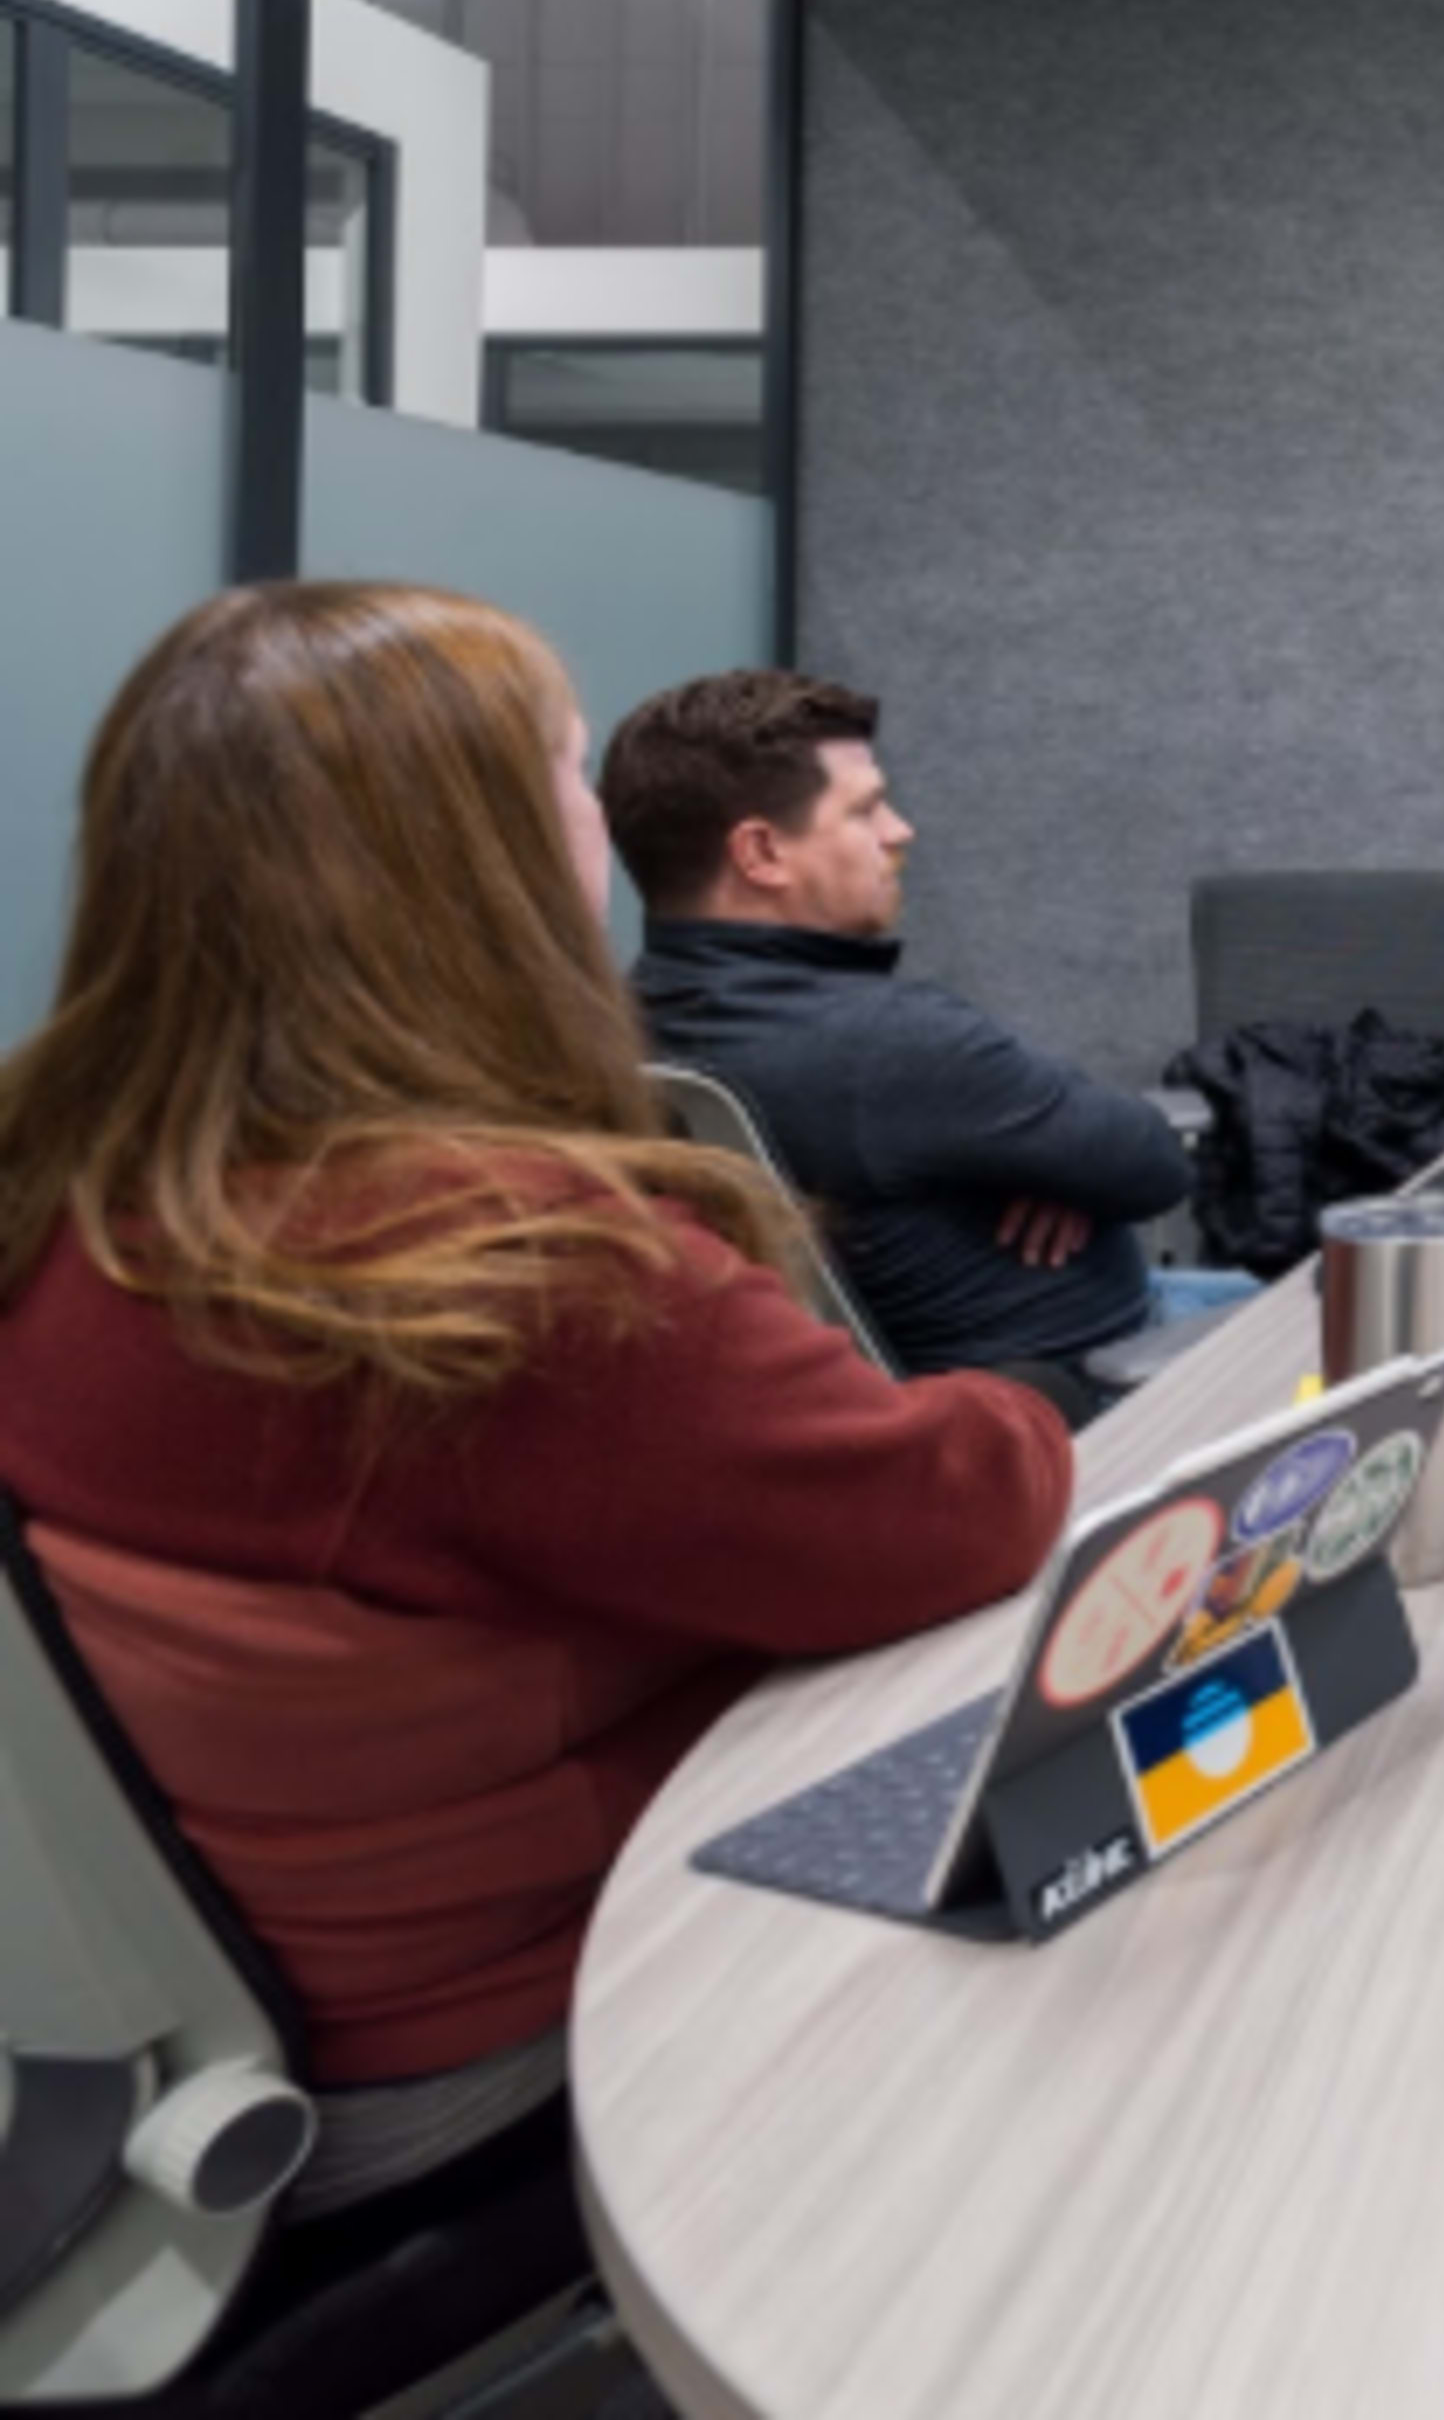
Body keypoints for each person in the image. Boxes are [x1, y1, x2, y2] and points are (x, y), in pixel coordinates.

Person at [0, 583, 1072, 2211]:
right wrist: (1012, 1382)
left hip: (139, 2048)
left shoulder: (80, 1192)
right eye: (571, 770)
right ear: (480, 854)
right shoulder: (487, 1262)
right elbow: (961, 1508)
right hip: (452, 2039)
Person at [597, 669, 1231, 1380]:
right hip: (1097, 1391)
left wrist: (1036, 1157)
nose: (900, 831)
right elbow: (1152, 1165)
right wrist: (1066, 1168)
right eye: (865, 811)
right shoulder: (892, 1046)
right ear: (762, 854)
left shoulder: (620, 1027)